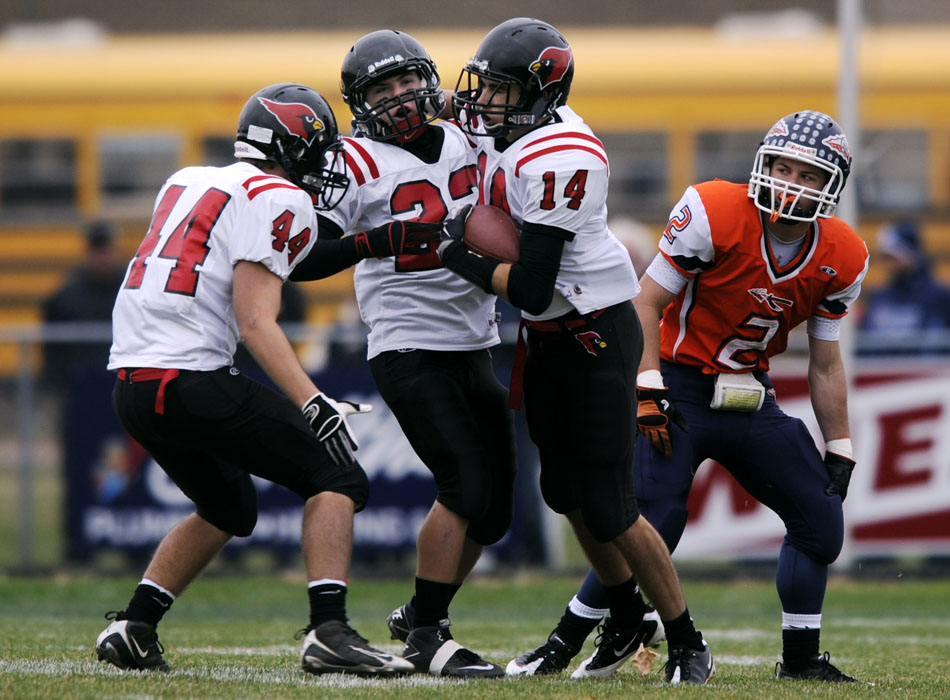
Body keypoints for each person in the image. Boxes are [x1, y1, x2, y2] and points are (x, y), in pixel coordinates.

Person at [504, 110, 869, 683]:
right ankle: (567, 639)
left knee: (820, 519)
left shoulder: (843, 254)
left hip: (750, 394)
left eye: (807, 174)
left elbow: (825, 361)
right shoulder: (716, 210)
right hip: (678, 386)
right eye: (781, 167)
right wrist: (646, 386)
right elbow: (644, 304)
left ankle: (800, 661)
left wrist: (841, 443)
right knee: (653, 519)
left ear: (831, 185)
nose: (790, 182)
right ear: (762, 164)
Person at [93, 82, 425, 677]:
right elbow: (255, 320)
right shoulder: (279, 197)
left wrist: (370, 242)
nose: (324, 164)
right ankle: (330, 630)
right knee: (338, 476)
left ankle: (134, 626)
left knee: (228, 505)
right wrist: (313, 400)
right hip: (189, 375)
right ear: (294, 147)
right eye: (318, 150)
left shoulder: (188, 180)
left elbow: (274, 263)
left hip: (132, 384)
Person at [440, 17, 714, 685]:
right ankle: (623, 617)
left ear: (539, 92)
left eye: (499, 90)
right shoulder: (514, 131)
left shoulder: (563, 155)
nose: (483, 102)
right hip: (553, 339)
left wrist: (458, 255)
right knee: (563, 490)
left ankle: (686, 640)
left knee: (614, 504)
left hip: (595, 335)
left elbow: (532, 287)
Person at [288, 30, 517, 678]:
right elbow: (303, 257)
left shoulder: (469, 136)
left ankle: (419, 611)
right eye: (382, 88)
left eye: (407, 81)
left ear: (429, 78)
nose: (399, 96)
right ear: (360, 102)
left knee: (496, 512)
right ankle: (429, 636)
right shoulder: (354, 163)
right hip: (408, 343)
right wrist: (376, 240)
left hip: (476, 339)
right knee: (465, 487)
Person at [41, 219, 125, 391]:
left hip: (122, 383)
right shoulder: (66, 296)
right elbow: (52, 349)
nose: (102, 257)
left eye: (106, 250)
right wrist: (57, 383)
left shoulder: (131, 291)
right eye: (97, 251)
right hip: (78, 388)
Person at [858, 220, 950, 355]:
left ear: (909, 255)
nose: (887, 265)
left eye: (892, 258)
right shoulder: (879, 297)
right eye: (885, 258)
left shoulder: (938, 296)